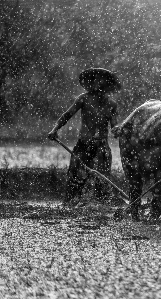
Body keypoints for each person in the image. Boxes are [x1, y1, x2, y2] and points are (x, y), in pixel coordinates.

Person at [48, 68, 121, 205]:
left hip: (102, 148)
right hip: (83, 145)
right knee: (75, 176)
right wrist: (54, 130)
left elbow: (114, 127)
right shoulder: (84, 99)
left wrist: (119, 130)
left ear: (106, 86)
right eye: (92, 81)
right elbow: (67, 115)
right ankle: (70, 203)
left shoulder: (111, 104)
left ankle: (100, 206)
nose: (94, 85)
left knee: (102, 180)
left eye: (99, 82)